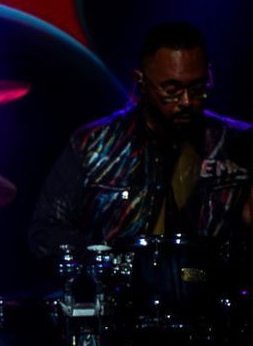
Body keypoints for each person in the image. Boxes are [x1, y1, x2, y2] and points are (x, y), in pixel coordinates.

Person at [27, 21, 252, 258]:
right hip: (115, 289)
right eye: (171, 89)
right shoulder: (93, 145)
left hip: (210, 290)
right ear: (141, 81)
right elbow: (45, 232)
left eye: (197, 88)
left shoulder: (238, 143)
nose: (186, 101)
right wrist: (108, 258)